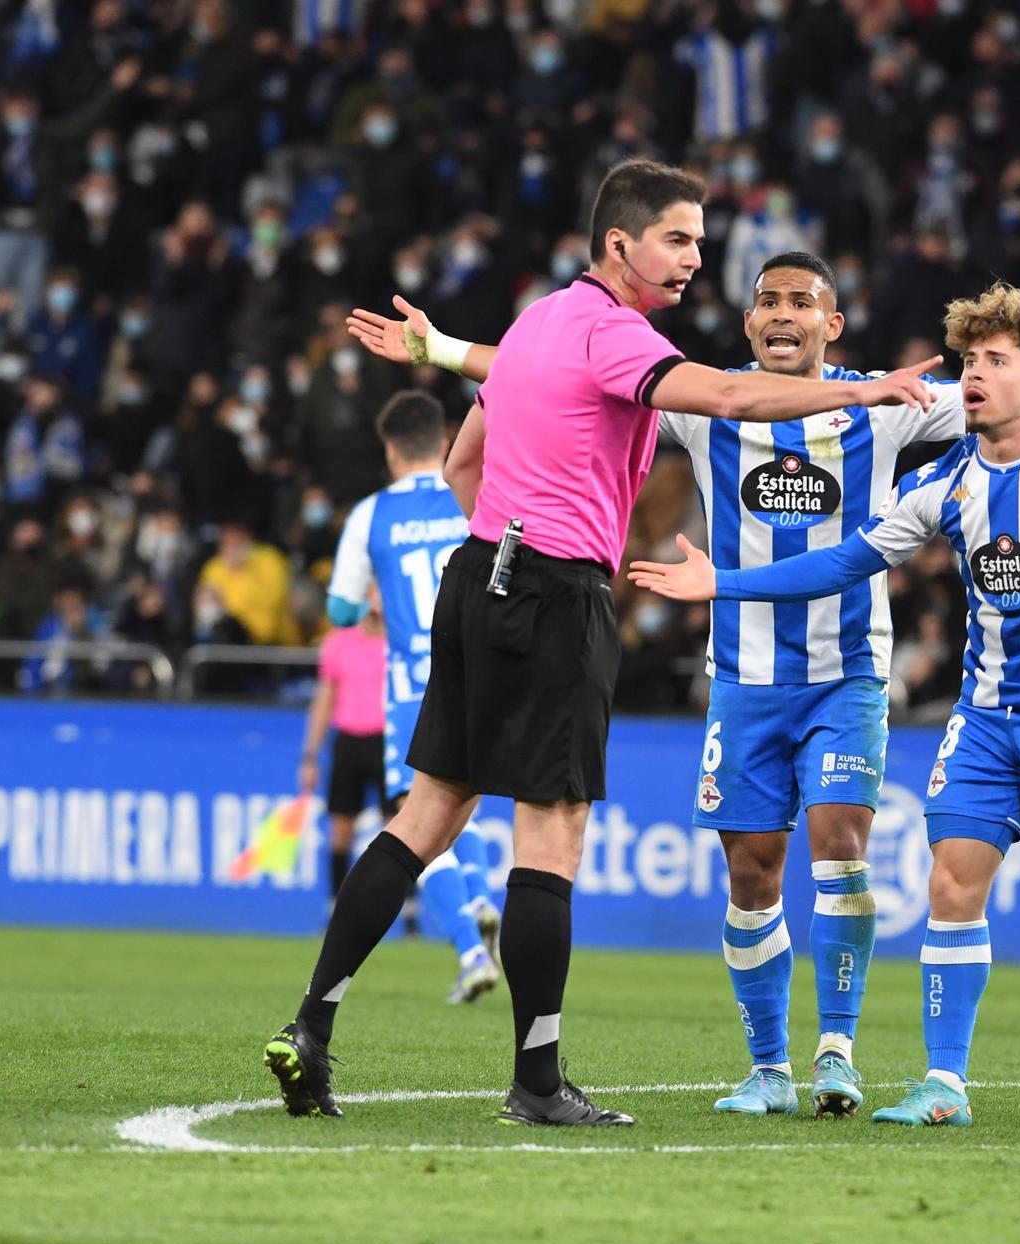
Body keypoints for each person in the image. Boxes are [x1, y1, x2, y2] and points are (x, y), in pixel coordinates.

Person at [351, 257, 1020, 1117]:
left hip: (847, 674)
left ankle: (836, 1052)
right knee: (752, 873)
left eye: (801, 302)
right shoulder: (705, 405)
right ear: (748, 321)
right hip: (744, 679)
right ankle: (769, 1068)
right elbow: (551, 368)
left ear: (829, 325)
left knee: (840, 845)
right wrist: (439, 349)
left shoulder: (883, 403)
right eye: (766, 299)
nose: (781, 313)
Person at [261, 158, 942, 1128]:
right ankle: (536, 1080)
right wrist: (867, 390)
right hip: (558, 590)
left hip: (475, 576)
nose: (694, 260)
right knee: (552, 833)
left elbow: (465, 456)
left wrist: (444, 361)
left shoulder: (538, 323)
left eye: (701, 243)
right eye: (678, 240)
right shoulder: (621, 339)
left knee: (426, 814)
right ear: (619, 244)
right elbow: (736, 399)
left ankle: (310, 1027)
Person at [634, 284, 1020, 1131]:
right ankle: (943, 1084)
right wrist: (722, 584)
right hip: (986, 718)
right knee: (952, 888)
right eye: (968, 363)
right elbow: (845, 561)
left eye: (994, 363)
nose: (973, 377)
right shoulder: (947, 481)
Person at [326, 391, 503, 1006]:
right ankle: (480, 896)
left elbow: (340, 609)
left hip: (413, 687)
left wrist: (373, 599)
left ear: (390, 448)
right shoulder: (476, 496)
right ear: (444, 438)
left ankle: (470, 949)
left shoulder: (371, 514)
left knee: (416, 818)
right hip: (477, 674)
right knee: (463, 799)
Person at [299, 584, 392, 903]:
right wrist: (310, 755)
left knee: (398, 828)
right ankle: (335, 904)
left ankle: (407, 910)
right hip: (349, 740)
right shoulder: (338, 643)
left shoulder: (400, 641)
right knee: (340, 829)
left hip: (387, 742)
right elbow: (324, 700)